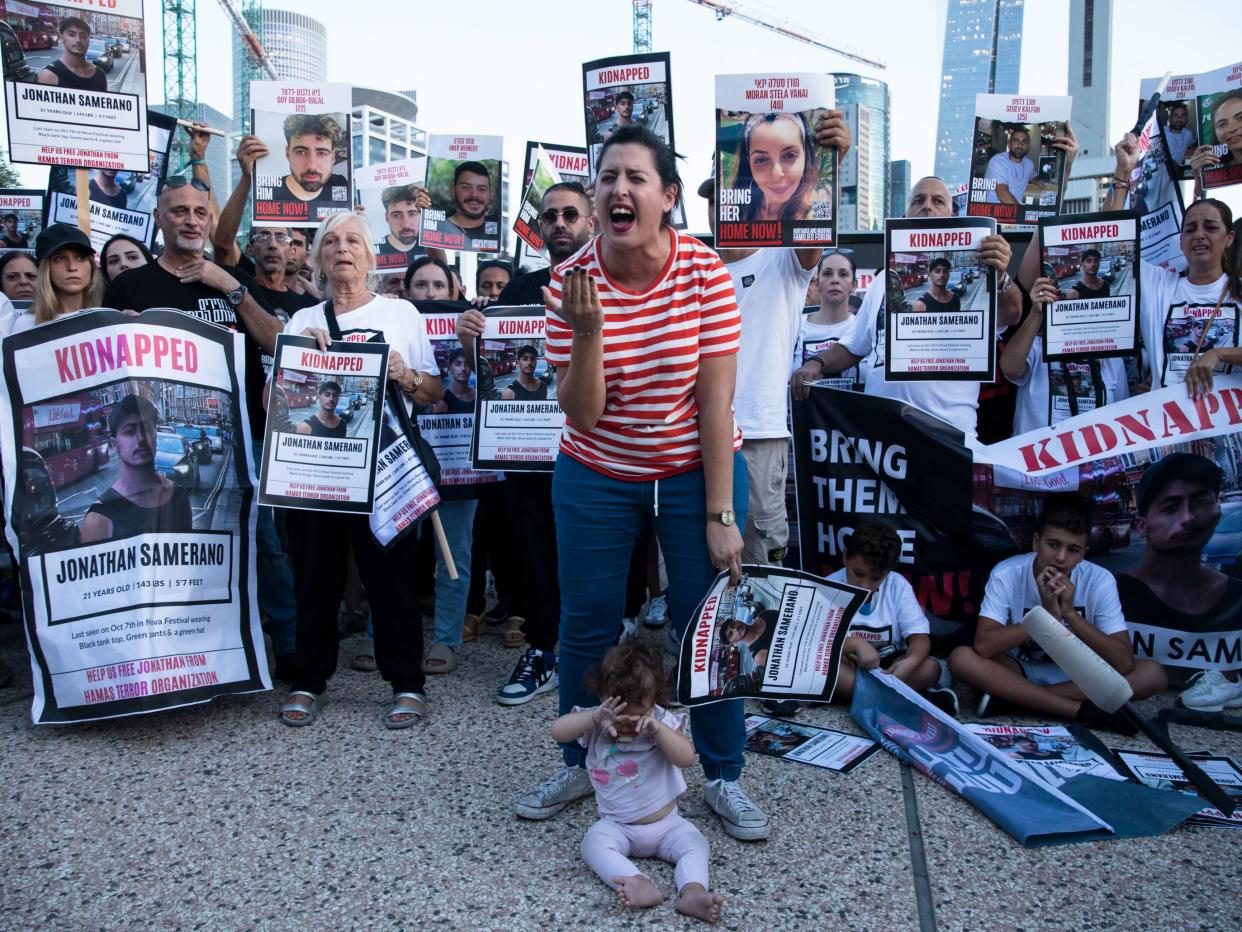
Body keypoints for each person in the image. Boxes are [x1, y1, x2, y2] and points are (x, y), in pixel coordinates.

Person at [513, 125, 765, 842]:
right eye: (607, 177)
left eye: (635, 178)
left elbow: (715, 404)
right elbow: (583, 411)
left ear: (668, 197)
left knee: (706, 627)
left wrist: (722, 512)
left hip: (693, 469)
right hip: (597, 468)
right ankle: (578, 760)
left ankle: (722, 774)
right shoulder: (569, 281)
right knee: (588, 619)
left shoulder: (703, 272)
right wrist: (588, 333)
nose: (618, 189)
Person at [277, 211, 443, 729]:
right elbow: (271, 404)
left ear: (371, 257)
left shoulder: (401, 314)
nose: (341, 248)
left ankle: (406, 683)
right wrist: (297, 361)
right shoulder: (300, 321)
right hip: (317, 473)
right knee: (314, 579)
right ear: (317, 257)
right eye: (330, 241)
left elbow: (436, 395)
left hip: (383, 473)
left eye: (352, 240)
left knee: (391, 579)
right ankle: (308, 680)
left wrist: (406, 373)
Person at [457, 181, 597, 705]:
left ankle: (599, 648)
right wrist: (474, 339)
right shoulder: (519, 290)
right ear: (538, 227)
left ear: (591, 222)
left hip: (599, 443)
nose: (560, 224)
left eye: (570, 215)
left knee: (598, 549)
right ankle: (543, 646)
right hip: (530, 451)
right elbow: (493, 374)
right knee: (536, 549)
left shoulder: (619, 278)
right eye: (550, 216)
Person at [699, 107, 852, 564]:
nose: (718, 206)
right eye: (711, 197)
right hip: (691, 435)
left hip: (758, 432)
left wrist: (828, 163)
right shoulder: (688, 264)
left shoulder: (782, 259)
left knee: (759, 555)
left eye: (726, 194)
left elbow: (810, 231)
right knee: (696, 553)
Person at [792, 174, 1034, 444]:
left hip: (947, 436)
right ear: (904, 212)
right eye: (918, 200)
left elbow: (1012, 313)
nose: (927, 206)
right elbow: (854, 346)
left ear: (953, 214)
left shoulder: (981, 273)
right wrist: (817, 362)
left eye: (938, 201)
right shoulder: (884, 281)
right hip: (882, 438)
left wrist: (1000, 277)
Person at [949, 495, 1166, 730]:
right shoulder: (1008, 573)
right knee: (962, 659)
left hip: (1077, 676)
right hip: (1019, 669)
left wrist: (1070, 613)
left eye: (1072, 550)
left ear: (1084, 553)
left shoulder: (1099, 580)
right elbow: (984, 645)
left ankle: (1018, 699)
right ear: (1036, 542)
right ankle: (1077, 710)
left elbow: (1123, 662)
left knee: (1152, 674)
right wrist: (1045, 616)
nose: (1061, 558)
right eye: (1053, 545)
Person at [104, 178, 282, 455]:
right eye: (180, 211)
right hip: (165, 436)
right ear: (158, 217)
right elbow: (108, 370)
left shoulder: (235, 278)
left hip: (249, 437)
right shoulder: (128, 285)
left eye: (200, 213)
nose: (192, 221)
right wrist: (120, 336)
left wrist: (230, 287)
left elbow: (278, 343)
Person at [550, 639, 723, 924]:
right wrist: (595, 718)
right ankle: (636, 881)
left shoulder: (661, 722)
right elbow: (558, 732)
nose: (627, 723)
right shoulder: (596, 722)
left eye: (638, 715)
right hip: (618, 826)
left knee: (696, 844)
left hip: (668, 825)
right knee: (592, 843)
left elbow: (686, 758)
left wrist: (658, 731)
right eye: (620, 715)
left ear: (654, 702)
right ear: (603, 697)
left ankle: (692, 891)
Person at [1106, 140, 1241, 394]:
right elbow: (1113, 241)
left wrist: (1219, 354)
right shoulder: (1159, 285)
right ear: (1181, 241)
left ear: (1230, 237)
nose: (1199, 235)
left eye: (1210, 227)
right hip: (1171, 430)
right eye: (1190, 229)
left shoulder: (1239, 290)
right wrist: (1123, 174)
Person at [1117, 453, 1242, 711]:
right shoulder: (1109, 596)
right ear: (1142, 525)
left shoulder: (1237, 599)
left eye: (1200, 501)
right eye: (1171, 507)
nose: (1188, 518)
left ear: (1216, 511)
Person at [828, 521, 950, 708]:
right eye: (858, 574)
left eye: (876, 578)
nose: (865, 585)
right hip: (849, 668)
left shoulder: (897, 586)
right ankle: (902, 698)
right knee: (826, 672)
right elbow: (816, 644)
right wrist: (853, 644)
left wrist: (911, 662)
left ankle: (856, 697)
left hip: (888, 668)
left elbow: (919, 638)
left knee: (930, 668)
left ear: (888, 572)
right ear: (845, 556)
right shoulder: (828, 587)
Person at [1004, 265, 1129, 433]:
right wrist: (1036, 312)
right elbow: (1010, 368)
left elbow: (1122, 415)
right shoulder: (1038, 345)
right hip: (1038, 457)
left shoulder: (1109, 356)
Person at [80, 396, 193, 544]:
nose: (141, 438)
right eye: (130, 431)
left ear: (155, 435)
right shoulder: (98, 520)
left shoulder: (179, 497)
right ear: (114, 444)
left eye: (146, 428)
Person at [729, 111, 830, 223]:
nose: (776, 175)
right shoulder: (734, 209)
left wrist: (838, 161)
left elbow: (829, 229)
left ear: (805, 155)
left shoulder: (818, 206)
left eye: (789, 155)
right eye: (761, 160)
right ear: (749, 163)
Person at [11, 224, 104, 334]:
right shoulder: (26, 325)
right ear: (45, 269)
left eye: (80, 257)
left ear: (92, 265)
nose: (72, 267)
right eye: (59, 259)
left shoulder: (108, 320)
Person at [793, 250, 860, 390]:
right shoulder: (796, 327)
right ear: (817, 283)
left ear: (854, 284)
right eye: (827, 274)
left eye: (843, 274)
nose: (835, 280)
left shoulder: (862, 329)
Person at [269, 114, 350, 210]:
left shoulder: (340, 184)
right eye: (301, 152)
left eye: (321, 153)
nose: (312, 166)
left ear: (332, 157)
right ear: (287, 153)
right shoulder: (271, 193)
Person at [1189, 89, 1242, 190]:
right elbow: (1202, 203)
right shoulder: (1219, 171)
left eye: (1241, 117)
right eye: (1222, 124)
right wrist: (1199, 179)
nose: (1232, 128)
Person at [37, 17, 107, 91]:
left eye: (83, 36)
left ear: (88, 40)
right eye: (71, 35)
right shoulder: (48, 75)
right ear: (61, 38)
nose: (78, 40)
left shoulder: (100, 74)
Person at [376, 183, 430, 271]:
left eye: (412, 214)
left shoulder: (430, 249)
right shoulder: (371, 250)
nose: (406, 224)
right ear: (387, 217)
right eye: (397, 215)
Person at [444, 161, 494, 249]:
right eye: (466, 187)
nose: (474, 195)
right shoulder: (440, 228)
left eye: (482, 189)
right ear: (453, 189)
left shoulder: (496, 230)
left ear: (490, 193)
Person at [984, 125, 1037, 205]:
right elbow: (1003, 194)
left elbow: (1031, 177)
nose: (1020, 145)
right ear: (1009, 144)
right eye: (1016, 141)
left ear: (1028, 147)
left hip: (1016, 210)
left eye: (1024, 141)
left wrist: (1036, 182)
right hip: (996, 211)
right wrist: (1020, 214)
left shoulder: (1029, 164)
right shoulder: (998, 161)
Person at [432, 347, 475, 413]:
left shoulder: (478, 396)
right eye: (458, 364)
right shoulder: (443, 401)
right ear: (450, 367)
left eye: (467, 364)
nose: (463, 368)